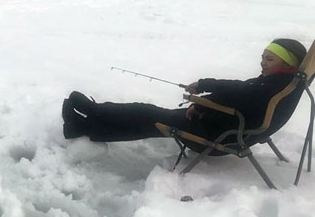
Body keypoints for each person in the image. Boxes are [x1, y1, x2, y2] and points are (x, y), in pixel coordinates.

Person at [62, 38, 308, 149]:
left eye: (269, 59)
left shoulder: (272, 85)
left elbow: (238, 95)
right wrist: (204, 84)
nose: (263, 63)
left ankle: (93, 114)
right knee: (148, 120)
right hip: (225, 126)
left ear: (287, 62)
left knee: (146, 115)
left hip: (218, 134)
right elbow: (240, 89)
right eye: (262, 57)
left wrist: (201, 104)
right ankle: (86, 126)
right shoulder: (281, 81)